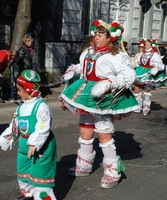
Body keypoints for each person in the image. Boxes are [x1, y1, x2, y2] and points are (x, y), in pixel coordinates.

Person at [59, 19, 139, 189]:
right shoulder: (88, 51)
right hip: (87, 94)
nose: (96, 37)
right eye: (96, 33)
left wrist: (110, 83)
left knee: (103, 133)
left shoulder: (117, 55)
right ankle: (84, 165)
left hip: (104, 96)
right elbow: (84, 68)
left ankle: (112, 171)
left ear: (110, 38)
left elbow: (129, 75)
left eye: (101, 34)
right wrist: (74, 70)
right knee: (85, 130)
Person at [0, 69, 57, 200]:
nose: (17, 93)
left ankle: (42, 196)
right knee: (23, 172)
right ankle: (28, 195)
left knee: (40, 176)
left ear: (28, 90)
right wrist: (2, 140)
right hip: (24, 146)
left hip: (41, 147)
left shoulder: (41, 106)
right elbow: (14, 125)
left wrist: (34, 143)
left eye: (19, 90)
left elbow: (43, 126)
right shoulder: (21, 107)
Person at [133, 38, 166, 115]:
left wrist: (156, 68)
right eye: (145, 44)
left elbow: (160, 64)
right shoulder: (141, 54)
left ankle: (146, 107)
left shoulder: (154, 54)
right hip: (140, 71)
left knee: (146, 90)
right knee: (137, 88)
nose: (146, 46)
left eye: (148, 44)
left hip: (149, 73)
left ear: (151, 45)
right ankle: (138, 106)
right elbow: (137, 62)